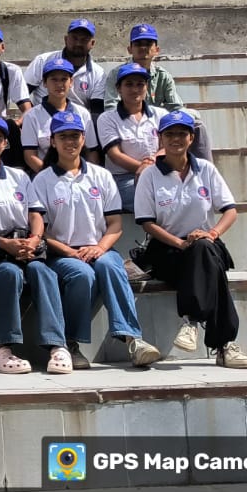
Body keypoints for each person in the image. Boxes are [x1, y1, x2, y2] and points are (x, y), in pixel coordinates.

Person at [32, 110, 161, 368]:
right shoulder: (42, 180)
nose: (70, 142)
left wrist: (100, 248)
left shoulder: (101, 176)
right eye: (63, 136)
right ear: (53, 141)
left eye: (75, 136)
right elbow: (41, 232)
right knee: (82, 274)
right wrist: (69, 251)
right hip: (62, 253)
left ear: (83, 139)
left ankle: (133, 340)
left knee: (111, 265)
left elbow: (115, 224)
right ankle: (71, 343)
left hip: (99, 247)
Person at [134, 111, 247, 369]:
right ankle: (224, 345)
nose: (176, 139)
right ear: (160, 138)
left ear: (191, 138)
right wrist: (180, 244)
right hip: (168, 249)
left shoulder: (206, 169)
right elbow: (147, 222)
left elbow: (230, 210)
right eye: (170, 134)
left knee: (204, 250)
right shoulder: (150, 175)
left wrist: (212, 233)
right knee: (212, 268)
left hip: (206, 242)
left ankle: (192, 321)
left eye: (182, 133)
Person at [0, 117, 71, 374]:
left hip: (24, 247)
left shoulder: (20, 177)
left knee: (43, 271)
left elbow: (35, 215)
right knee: (8, 273)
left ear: (6, 144)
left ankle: (57, 345)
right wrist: (2, 243)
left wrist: (35, 239)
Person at [102, 23, 213, 160]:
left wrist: (191, 115)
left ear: (157, 49)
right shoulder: (116, 74)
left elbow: (175, 107)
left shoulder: (163, 76)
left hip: (158, 124)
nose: (143, 48)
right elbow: (111, 107)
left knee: (196, 126)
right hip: (126, 123)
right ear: (130, 49)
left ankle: (203, 169)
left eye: (148, 44)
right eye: (138, 44)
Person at [97, 64, 162, 211]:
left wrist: (150, 165)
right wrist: (143, 168)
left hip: (158, 173)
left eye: (140, 84)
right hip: (124, 179)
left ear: (147, 87)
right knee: (158, 198)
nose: (135, 89)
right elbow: (115, 155)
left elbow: (166, 148)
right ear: (119, 89)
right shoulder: (107, 118)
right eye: (129, 84)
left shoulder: (160, 114)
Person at [19, 58, 99, 174]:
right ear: (44, 82)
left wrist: (86, 176)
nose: (59, 84)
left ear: (71, 82)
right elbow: (30, 156)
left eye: (64, 79)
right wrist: (53, 176)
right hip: (44, 175)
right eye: (54, 79)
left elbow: (92, 151)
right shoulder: (32, 115)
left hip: (79, 175)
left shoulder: (82, 113)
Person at [25, 19, 107, 114]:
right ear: (66, 39)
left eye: (84, 40)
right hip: (42, 119)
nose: (78, 43)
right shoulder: (43, 60)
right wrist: (31, 115)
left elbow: (97, 110)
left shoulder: (99, 74)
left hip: (78, 121)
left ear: (92, 43)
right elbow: (23, 94)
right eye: (74, 38)